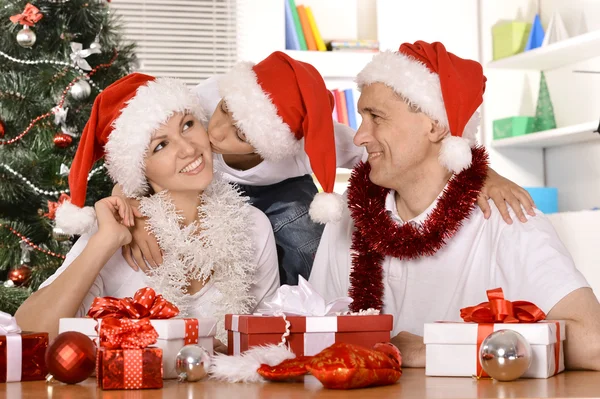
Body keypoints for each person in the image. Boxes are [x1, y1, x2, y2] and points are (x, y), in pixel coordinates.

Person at [123, 51, 537, 286]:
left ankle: (289, 318)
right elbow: (138, 143)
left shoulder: (310, 144)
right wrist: (131, 202)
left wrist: (484, 174)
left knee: (309, 243)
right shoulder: (204, 97)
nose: (216, 132)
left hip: (282, 196)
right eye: (225, 111)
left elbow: (402, 154)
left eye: (243, 135)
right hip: (207, 192)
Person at [308, 41, 600, 370]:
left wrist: (434, 350)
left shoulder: (505, 216)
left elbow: (593, 344)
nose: (359, 137)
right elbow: (317, 332)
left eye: (376, 117)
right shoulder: (350, 215)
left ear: (436, 125)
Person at [15, 73, 279, 343]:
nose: (188, 149)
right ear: (138, 169)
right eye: (160, 145)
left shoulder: (253, 226)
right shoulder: (114, 231)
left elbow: (270, 340)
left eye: (187, 124)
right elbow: (31, 333)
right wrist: (105, 241)